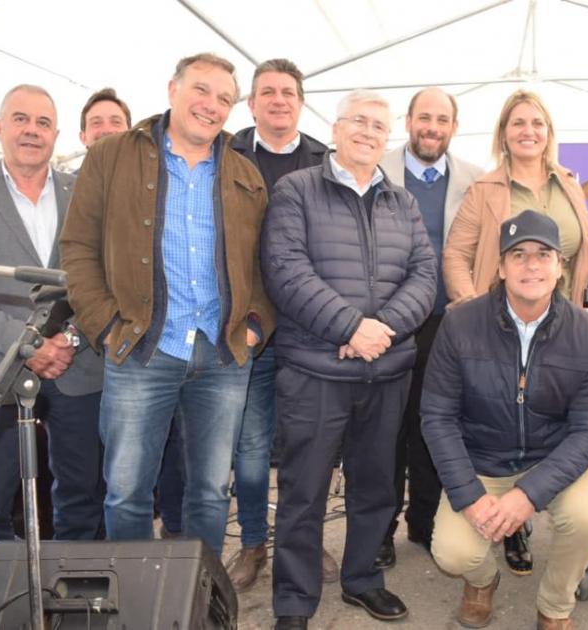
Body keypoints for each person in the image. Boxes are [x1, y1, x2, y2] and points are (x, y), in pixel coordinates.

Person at [59, 53, 274, 556]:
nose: (212, 105)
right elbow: (78, 248)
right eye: (202, 90)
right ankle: (134, 604)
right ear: (172, 90)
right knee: (128, 492)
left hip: (223, 355)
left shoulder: (246, 173)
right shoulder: (110, 157)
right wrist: (108, 326)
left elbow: (264, 265)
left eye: (224, 98)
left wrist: (255, 327)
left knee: (210, 492)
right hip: (140, 349)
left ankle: (197, 600)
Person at [262, 90, 436, 629]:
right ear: (334, 130)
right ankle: (293, 602)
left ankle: (362, 580)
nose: (367, 132)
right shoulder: (296, 191)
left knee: (376, 485)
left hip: (385, 371)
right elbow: (286, 270)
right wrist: (349, 327)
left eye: (378, 126)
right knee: (303, 491)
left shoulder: (401, 203)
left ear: (389, 140)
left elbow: (424, 276)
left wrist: (380, 332)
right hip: (315, 370)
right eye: (357, 121)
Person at [421, 210, 588, 630]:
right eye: (518, 254)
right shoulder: (459, 325)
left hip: (550, 458)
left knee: (587, 519)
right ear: (501, 267)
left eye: (543, 254)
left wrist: (528, 495)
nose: (531, 265)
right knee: (453, 553)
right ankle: (482, 582)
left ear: (559, 268)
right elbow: (437, 417)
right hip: (481, 461)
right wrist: (469, 495)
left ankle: (555, 606)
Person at [0, 84, 104, 559]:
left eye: (43, 123)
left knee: (81, 496)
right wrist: (30, 345)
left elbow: (105, 282)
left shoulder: (85, 192)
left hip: (79, 368)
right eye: (21, 119)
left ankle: (72, 597)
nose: (32, 130)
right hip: (0, 370)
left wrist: (69, 339)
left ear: (57, 134)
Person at [442, 88, 588, 573]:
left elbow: (582, 254)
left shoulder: (570, 183)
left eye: (537, 123)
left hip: (560, 328)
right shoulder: (486, 189)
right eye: (518, 123)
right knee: (498, 421)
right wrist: (474, 314)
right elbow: (456, 255)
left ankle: (527, 512)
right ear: (503, 133)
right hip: (498, 325)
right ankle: (496, 537)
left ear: (549, 133)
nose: (528, 131)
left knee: (550, 425)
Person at [222, 58, 338, 591]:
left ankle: (305, 542)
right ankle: (253, 543)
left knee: (308, 446)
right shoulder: (225, 154)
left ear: (301, 101)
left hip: (310, 325)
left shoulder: (325, 160)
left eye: (288, 92)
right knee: (250, 447)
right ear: (251, 103)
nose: (278, 100)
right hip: (246, 324)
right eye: (267, 92)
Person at [376, 87, 482, 568]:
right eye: (424, 117)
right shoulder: (378, 170)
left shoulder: (475, 181)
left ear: (454, 127)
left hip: (448, 324)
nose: (432, 127)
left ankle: (424, 522)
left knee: (432, 426)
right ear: (408, 120)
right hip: (388, 320)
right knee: (383, 432)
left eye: (442, 119)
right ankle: (378, 530)